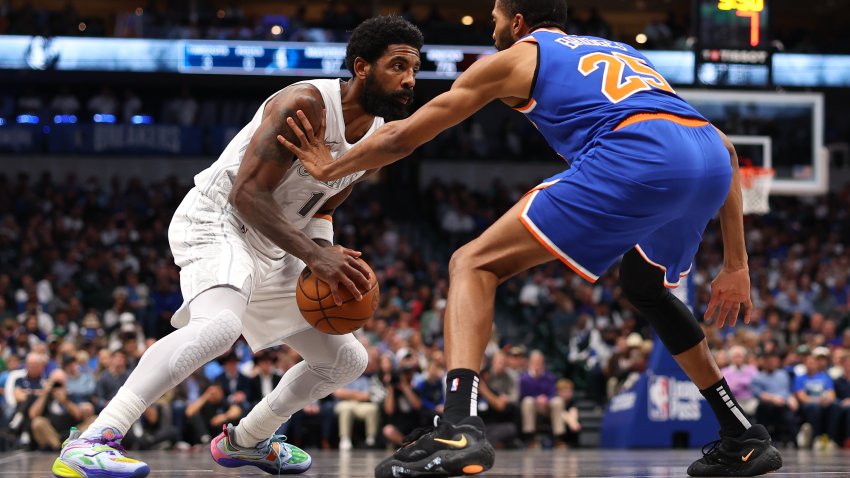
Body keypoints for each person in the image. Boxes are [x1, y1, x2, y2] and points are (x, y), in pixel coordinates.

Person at [281, 1, 782, 476]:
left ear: (517, 22)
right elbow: (729, 150)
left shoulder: (517, 57)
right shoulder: (622, 52)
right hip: (707, 158)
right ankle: (743, 434)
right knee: (646, 288)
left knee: (473, 263)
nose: (490, 28)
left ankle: (458, 426)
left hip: (639, 153)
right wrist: (736, 265)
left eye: (495, 18)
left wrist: (332, 167)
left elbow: (403, 136)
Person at [52, 15, 423, 478]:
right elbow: (245, 195)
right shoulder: (306, 102)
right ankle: (93, 440)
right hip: (218, 221)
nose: (410, 79)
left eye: (415, 68)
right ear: (362, 67)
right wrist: (313, 255)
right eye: (398, 66)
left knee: (347, 360)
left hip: (278, 242)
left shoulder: (376, 135)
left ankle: (248, 440)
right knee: (219, 326)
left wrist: (323, 255)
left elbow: (324, 205)